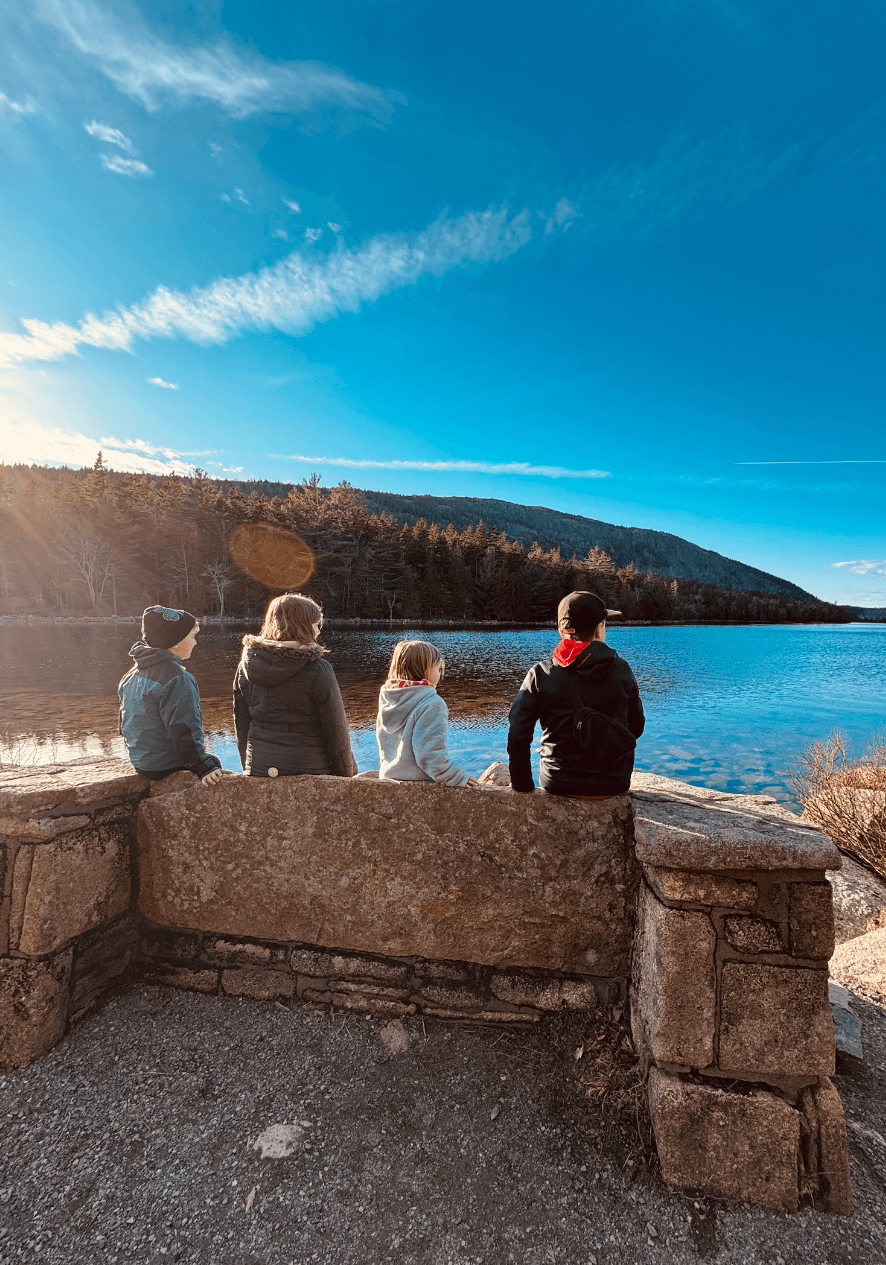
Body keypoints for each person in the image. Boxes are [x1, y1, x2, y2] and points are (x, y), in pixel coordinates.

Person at [507, 590, 645, 797]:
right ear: (599, 629)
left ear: (563, 632)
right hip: (613, 783)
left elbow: (519, 732)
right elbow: (636, 727)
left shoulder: (541, 673)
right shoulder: (621, 669)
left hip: (559, 782)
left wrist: (522, 784)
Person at [234, 592, 357, 778]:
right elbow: (336, 731)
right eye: (316, 625)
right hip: (308, 767)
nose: (318, 632)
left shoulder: (246, 666)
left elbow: (241, 723)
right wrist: (346, 775)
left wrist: (249, 764)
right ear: (303, 627)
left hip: (259, 766)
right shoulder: (318, 669)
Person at [118, 606, 226, 784]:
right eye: (192, 637)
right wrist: (203, 766)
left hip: (140, 761)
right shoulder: (178, 679)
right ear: (175, 643)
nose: (195, 642)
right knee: (213, 763)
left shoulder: (131, 673)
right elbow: (183, 729)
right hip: (164, 764)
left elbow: (125, 723)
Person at [376, 639, 479, 788]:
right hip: (418, 785)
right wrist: (454, 776)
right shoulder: (432, 704)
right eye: (438, 669)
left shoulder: (389, 699)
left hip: (388, 778)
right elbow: (430, 754)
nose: (440, 673)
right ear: (425, 671)